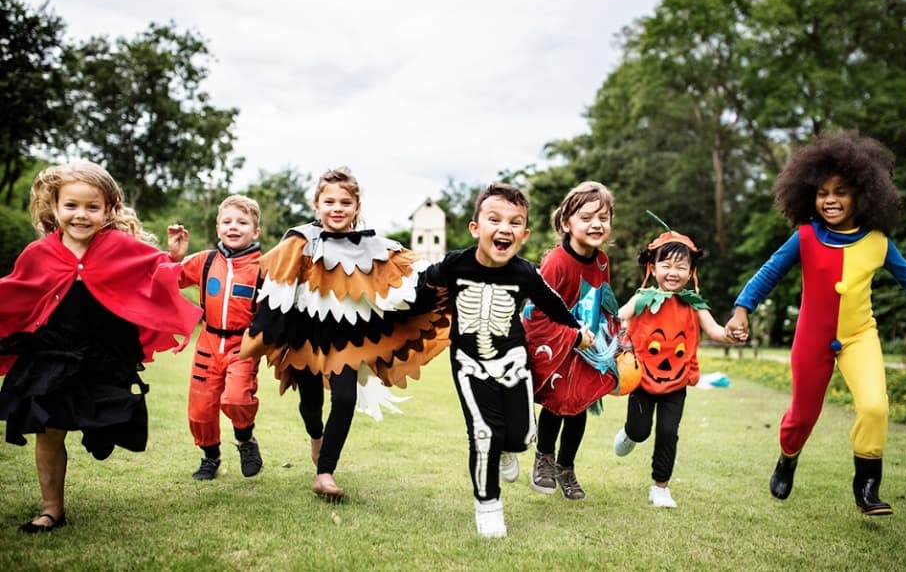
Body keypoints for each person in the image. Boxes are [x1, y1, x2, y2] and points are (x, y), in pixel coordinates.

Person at [724, 131, 906, 515]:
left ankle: (867, 487)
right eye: (822, 192)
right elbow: (768, 273)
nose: (830, 200)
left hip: (860, 336)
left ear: (863, 194)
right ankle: (787, 459)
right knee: (802, 417)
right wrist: (743, 308)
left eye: (840, 192)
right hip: (812, 339)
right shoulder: (806, 236)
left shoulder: (878, 241)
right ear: (809, 195)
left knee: (875, 406)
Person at [0, 161, 201, 532]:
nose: (81, 215)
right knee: (48, 429)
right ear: (55, 207)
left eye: (92, 207)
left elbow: (157, 276)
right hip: (51, 353)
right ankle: (51, 509)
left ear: (109, 210)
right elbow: (15, 292)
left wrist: (173, 258)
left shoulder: (121, 247)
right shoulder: (39, 253)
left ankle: (100, 433)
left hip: (103, 354)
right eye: (71, 206)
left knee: (105, 425)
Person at [240, 167, 449, 502]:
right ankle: (316, 438)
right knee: (311, 403)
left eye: (345, 202)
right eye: (329, 201)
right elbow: (266, 279)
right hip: (304, 335)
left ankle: (325, 473)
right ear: (317, 204)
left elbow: (416, 272)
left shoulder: (375, 246)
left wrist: (457, 270)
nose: (337, 208)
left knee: (346, 399)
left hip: (347, 338)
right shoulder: (299, 242)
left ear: (356, 205)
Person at [423, 182, 595, 538]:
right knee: (484, 432)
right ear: (476, 228)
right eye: (494, 219)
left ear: (525, 234)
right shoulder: (455, 264)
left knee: (518, 437)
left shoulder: (524, 272)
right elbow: (422, 286)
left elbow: (553, 305)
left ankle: (507, 449)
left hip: (513, 360)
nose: (504, 229)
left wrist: (577, 331)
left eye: (515, 223)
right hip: (468, 363)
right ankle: (488, 506)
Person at [613, 222, 740, 508]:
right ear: (653, 268)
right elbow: (617, 318)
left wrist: (731, 334)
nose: (673, 272)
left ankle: (660, 487)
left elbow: (716, 331)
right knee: (640, 430)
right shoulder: (642, 299)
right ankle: (631, 434)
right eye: (666, 265)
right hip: (641, 379)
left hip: (676, 381)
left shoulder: (695, 304)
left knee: (669, 432)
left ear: (691, 271)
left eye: (681, 266)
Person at [522, 181, 620, 501]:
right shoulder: (556, 262)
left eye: (603, 218)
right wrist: (571, 336)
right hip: (559, 344)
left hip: (587, 347)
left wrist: (613, 336)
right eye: (587, 217)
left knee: (579, 407)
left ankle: (566, 467)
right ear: (567, 223)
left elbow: (602, 299)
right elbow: (538, 312)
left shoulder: (602, 260)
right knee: (558, 403)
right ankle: (544, 458)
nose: (596, 224)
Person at [166, 195, 264, 481]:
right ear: (218, 226)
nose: (234, 227)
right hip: (208, 343)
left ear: (255, 231)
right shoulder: (205, 260)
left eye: (242, 222)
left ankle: (246, 440)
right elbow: (170, 278)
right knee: (200, 408)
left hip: (243, 345)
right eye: (227, 221)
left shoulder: (264, 267)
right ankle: (210, 458)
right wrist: (173, 257)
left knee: (237, 399)